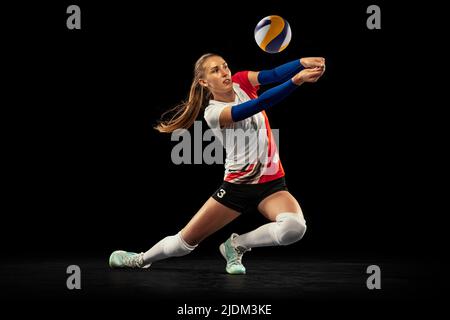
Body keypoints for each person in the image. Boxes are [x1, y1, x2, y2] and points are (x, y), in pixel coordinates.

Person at [109, 53, 325, 274]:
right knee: (183, 244)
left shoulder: (241, 81)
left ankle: (235, 245)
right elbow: (258, 104)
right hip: (236, 188)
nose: (225, 73)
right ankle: (140, 259)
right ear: (204, 82)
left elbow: (273, 74)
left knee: (294, 228)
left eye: (225, 66)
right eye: (215, 70)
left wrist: (300, 63)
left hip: (272, 183)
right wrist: (296, 80)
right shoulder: (213, 113)